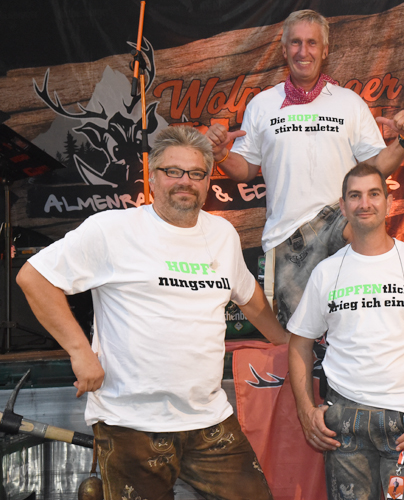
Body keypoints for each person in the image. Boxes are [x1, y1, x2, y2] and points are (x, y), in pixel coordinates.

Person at [16, 126, 287, 500]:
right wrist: (80, 352)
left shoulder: (222, 233)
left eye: (196, 173)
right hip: (130, 424)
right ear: (153, 177)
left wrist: (283, 340)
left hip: (208, 418)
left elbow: (248, 296)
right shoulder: (113, 228)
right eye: (173, 171)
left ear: (208, 181)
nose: (185, 181)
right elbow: (34, 277)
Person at [205, 9, 404, 325]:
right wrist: (221, 154)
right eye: (295, 42)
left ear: (325, 50)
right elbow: (246, 170)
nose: (303, 51)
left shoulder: (348, 102)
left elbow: (375, 168)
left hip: (338, 220)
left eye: (312, 43)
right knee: (298, 335)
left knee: (355, 318)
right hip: (287, 235)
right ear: (284, 50)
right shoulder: (262, 104)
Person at [288, 163, 404, 500]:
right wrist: (306, 411)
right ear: (343, 206)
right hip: (344, 422)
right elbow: (298, 344)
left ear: (388, 202)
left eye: (373, 194)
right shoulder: (326, 272)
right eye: (355, 196)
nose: (364, 203)